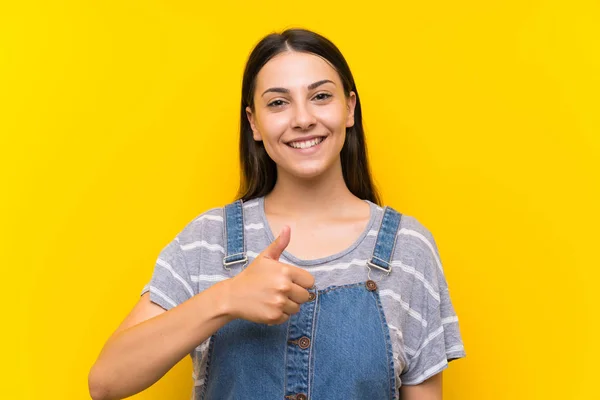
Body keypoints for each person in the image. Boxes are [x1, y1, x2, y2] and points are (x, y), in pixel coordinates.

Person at [88, 28, 466, 400]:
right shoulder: (207, 240)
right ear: (253, 122)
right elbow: (106, 383)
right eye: (278, 103)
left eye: (320, 96)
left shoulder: (407, 247)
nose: (302, 119)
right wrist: (226, 298)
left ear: (349, 108)